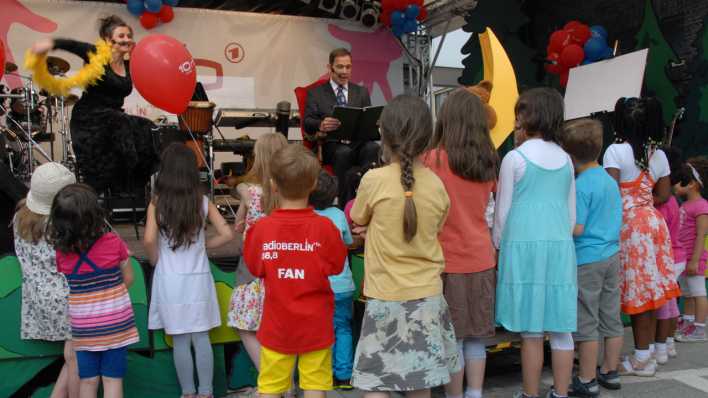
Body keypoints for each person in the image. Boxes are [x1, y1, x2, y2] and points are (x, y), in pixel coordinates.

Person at [350, 95, 459, 397]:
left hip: (384, 296)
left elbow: (358, 217)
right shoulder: (437, 185)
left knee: (375, 381)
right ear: (428, 137)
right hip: (426, 296)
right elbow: (433, 227)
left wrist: (370, 227)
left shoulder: (373, 180)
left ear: (383, 134)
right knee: (419, 382)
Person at [242, 143, 347, 398]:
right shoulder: (325, 229)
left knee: (270, 387)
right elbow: (336, 266)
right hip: (316, 324)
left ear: (274, 184)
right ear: (313, 184)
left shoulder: (261, 229)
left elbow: (255, 268)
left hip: (277, 325)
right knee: (314, 385)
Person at [492, 88, 577, 398]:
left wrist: (499, 247)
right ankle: (561, 393)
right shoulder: (567, 160)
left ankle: (530, 394)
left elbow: (501, 215)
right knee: (561, 330)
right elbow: (570, 216)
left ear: (530, 117)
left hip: (524, 249)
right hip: (559, 249)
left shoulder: (514, 158)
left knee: (531, 332)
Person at [421, 88, 498, 398]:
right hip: (481, 257)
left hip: (445, 260)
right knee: (477, 337)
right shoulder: (489, 160)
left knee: (451, 338)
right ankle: (475, 392)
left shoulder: (431, 160)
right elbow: (492, 213)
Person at [28, 15, 158, 194]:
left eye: (129, 35)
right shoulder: (96, 54)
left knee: (149, 128)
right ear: (107, 40)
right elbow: (73, 45)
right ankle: (120, 181)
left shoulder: (129, 64)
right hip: (90, 120)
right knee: (121, 124)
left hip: (113, 119)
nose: (127, 39)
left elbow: (153, 64)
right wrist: (50, 43)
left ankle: (132, 185)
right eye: (121, 36)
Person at [144, 143, 234, 398]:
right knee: (201, 337)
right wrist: (204, 245)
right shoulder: (202, 201)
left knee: (180, 340)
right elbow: (227, 234)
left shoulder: (157, 203)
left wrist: (155, 260)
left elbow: (150, 240)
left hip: (169, 278)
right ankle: (206, 392)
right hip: (198, 278)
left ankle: (188, 393)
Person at [602, 97, 679, 377]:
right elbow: (663, 195)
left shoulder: (615, 151)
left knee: (638, 294)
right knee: (650, 291)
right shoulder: (658, 154)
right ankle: (648, 352)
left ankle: (642, 359)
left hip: (630, 227)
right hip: (653, 225)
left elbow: (609, 192)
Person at [48, 183, 139, 398]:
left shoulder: (61, 254)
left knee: (88, 381)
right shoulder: (114, 243)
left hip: (84, 329)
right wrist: (110, 297)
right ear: (95, 215)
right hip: (116, 325)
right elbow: (129, 278)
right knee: (112, 380)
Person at [561, 119, 624, 397]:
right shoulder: (609, 181)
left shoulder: (581, 185)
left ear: (570, 156)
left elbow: (578, 227)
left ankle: (586, 378)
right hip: (612, 254)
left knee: (586, 320)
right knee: (610, 315)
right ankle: (610, 370)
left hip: (587, 258)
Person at [14, 162, 78, 398]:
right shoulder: (64, 226)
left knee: (73, 356)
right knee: (77, 356)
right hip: (70, 299)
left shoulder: (19, 220)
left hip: (38, 302)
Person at [227, 133, 288, 376]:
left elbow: (238, 222)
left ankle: (272, 379)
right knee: (280, 330)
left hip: (253, 270)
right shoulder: (291, 193)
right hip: (283, 269)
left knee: (244, 325)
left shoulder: (247, 190)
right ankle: (286, 383)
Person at [303, 48, 380, 206]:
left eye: (348, 67)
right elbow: (308, 122)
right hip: (332, 144)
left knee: (373, 148)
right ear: (329, 67)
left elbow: (368, 119)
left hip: (358, 143)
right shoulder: (315, 93)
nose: (345, 71)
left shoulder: (361, 92)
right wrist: (321, 125)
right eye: (340, 67)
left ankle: (366, 201)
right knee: (343, 152)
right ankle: (344, 205)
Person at [308, 171, 356, 390]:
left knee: (321, 331)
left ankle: (323, 375)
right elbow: (347, 241)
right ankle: (344, 376)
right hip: (343, 285)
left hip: (317, 287)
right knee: (343, 328)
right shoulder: (337, 214)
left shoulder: (306, 218)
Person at [654, 146, 685, 361]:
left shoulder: (664, 204)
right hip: (678, 256)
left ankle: (661, 348)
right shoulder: (674, 200)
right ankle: (669, 344)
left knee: (663, 305)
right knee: (672, 303)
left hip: (670, 257)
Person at [673, 157, 708, 343]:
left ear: (693, 184)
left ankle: (700, 329)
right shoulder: (685, 205)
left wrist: (695, 260)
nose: (675, 185)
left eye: (681, 181)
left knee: (698, 292)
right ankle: (688, 322)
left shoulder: (702, 206)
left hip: (695, 259)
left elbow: (701, 235)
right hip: (685, 257)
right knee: (688, 293)